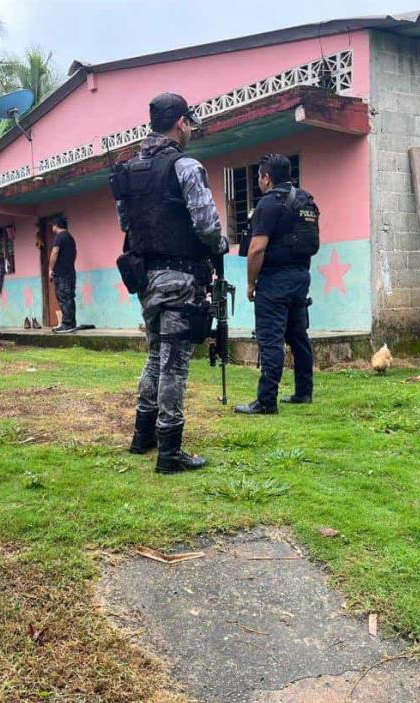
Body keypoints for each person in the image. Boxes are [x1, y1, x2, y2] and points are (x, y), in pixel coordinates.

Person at [113, 92, 229, 474]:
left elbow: (126, 225)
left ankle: (142, 435)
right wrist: (221, 244)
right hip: (181, 278)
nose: (191, 129)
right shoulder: (185, 166)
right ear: (181, 122)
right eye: (190, 123)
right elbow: (208, 225)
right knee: (174, 364)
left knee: (154, 357)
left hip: (146, 279)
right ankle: (169, 451)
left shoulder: (127, 170)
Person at [234, 153, 317, 415]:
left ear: (266, 178)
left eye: (259, 176)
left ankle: (266, 400)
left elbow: (257, 249)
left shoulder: (269, 204)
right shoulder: (306, 201)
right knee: (298, 336)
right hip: (300, 277)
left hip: (274, 281)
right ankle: (304, 392)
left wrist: (250, 284)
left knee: (270, 339)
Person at [48, 216, 78, 333]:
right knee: (70, 297)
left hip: (61, 273)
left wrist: (50, 269)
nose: (52, 227)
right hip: (71, 272)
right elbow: (75, 254)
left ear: (56, 225)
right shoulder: (70, 238)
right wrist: (70, 264)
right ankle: (72, 322)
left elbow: (55, 252)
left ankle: (67, 323)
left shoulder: (59, 237)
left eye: (52, 225)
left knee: (63, 297)